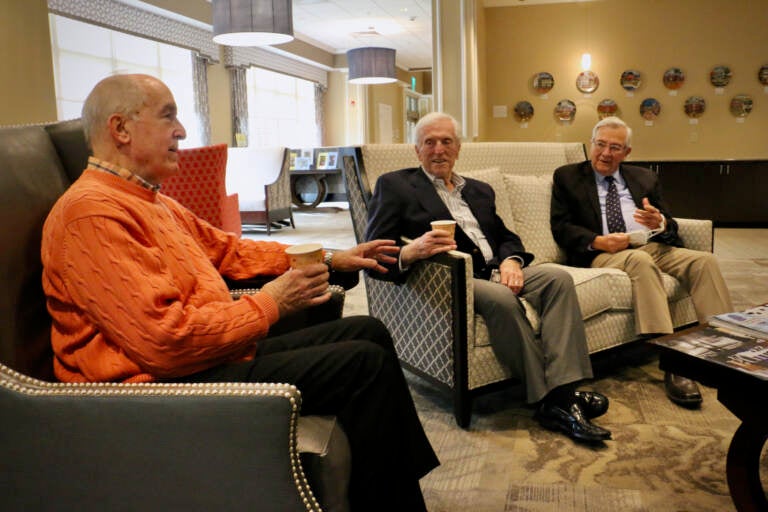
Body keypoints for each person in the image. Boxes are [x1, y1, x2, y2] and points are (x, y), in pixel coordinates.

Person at [40, 73, 438, 511]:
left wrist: (329, 258)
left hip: (208, 357)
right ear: (120, 129)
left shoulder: (151, 200)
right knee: (364, 364)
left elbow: (230, 251)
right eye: (168, 116)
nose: (183, 132)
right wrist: (272, 302)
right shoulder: (92, 214)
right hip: (156, 390)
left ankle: (389, 487)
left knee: (369, 330)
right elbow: (166, 343)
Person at [364, 112, 612, 444]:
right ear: (417, 150)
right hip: (456, 277)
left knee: (557, 279)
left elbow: (506, 236)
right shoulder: (395, 186)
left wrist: (511, 261)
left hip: (498, 268)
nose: (439, 150)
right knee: (501, 299)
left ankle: (563, 393)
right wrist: (412, 251)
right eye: (430, 142)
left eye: (447, 141)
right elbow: (373, 253)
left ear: (458, 148)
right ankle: (555, 399)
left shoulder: (479, 190)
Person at [550, 116, 734, 408]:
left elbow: (670, 224)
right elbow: (561, 226)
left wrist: (659, 222)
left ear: (627, 152)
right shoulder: (567, 177)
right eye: (600, 145)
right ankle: (674, 362)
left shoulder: (644, 178)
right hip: (603, 253)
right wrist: (598, 241)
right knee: (638, 260)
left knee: (705, 261)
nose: (606, 153)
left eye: (615, 147)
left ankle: (725, 349)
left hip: (651, 245)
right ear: (591, 143)